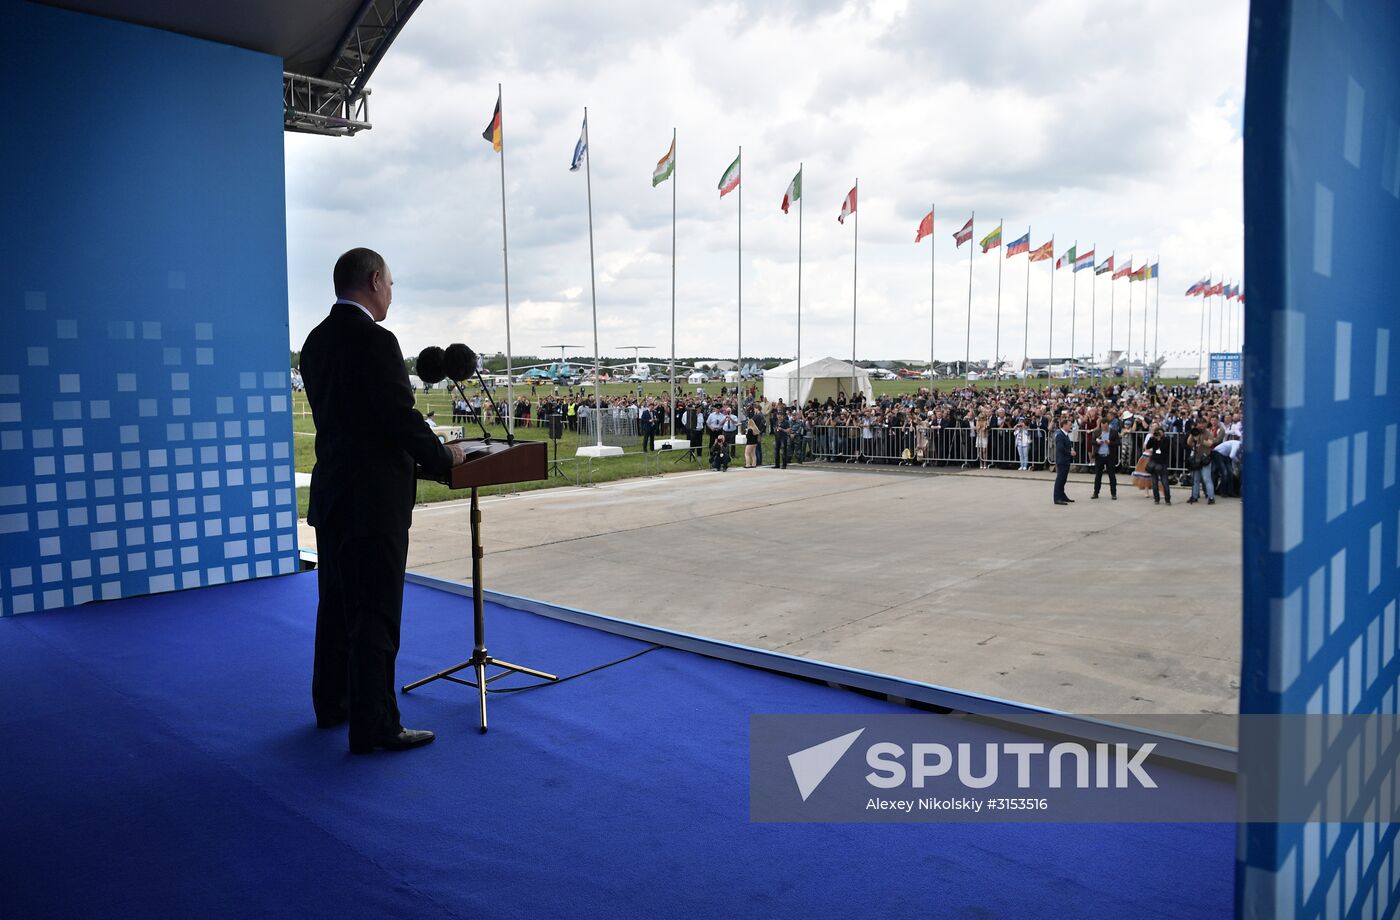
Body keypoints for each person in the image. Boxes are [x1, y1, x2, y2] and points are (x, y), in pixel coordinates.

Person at [301, 248, 469, 755]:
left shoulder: (315, 341)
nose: (391, 293)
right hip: (372, 502)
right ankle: (374, 725)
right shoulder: (376, 341)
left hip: (333, 495)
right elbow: (399, 418)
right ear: (375, 280)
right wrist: (445, 457)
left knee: (335, 608)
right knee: (375, 613)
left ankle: (333, 704)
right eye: (391, 284)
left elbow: (356, 419)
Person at [1143, 422, 1172, 505]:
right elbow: (1147, 447)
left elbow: (1165, 449)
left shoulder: (1166, 440)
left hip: (1163, 463)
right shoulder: (1154, 439)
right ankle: (1156, 499)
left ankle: (1167, 499)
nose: (1158, 434)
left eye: (1160, 432)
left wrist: (1160, 439)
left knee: (1165, 482)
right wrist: (1152, 438)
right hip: (1154, 462)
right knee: (1154, 483)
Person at [1090, 419, 1119, 500]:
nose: (1104, 428)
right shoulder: (1097, 432)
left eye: (1105, 426)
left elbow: (1118, 442)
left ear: (1108, 425)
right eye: (1102, 426)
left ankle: (1113, 493)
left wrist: (1110, 442)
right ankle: (1096, 492)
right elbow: (1092, 441)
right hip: (1099, 456)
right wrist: (1097, 442)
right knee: (1098, 476)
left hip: (1109, 456)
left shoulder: (1113, 432)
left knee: (1112, 476)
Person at [1053, 417, 1074, 505]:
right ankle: (1057, 498)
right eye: (1069, 425)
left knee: (1063, 479)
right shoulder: (1060, 435)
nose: (1070, 426)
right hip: (1062, 460)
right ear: (1064, 425)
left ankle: (1062, 495)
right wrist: (1070, 452)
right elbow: (1060, 448)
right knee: (1060, 479)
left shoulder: (1065, 434)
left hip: (1065, 460)